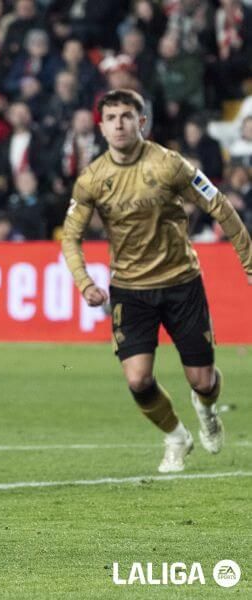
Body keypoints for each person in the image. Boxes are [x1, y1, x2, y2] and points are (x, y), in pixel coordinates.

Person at [61, 89, 252, 473]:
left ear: (141, 122)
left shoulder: (169, 165)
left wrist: (249, 262)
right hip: (130, 289)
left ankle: (206, 408)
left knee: (202, 380)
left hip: (182, 281)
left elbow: (219, 205)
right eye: (111, 117)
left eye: (126, 116)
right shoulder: (93, 179)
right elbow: (70, 236)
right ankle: (176, 437)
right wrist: (84, 283)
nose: (119, 124)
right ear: (101, 126)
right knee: (138, 379)